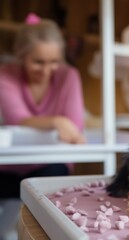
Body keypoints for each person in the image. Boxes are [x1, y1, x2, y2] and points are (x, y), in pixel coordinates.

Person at [0, 13, 85, 199]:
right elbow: (17, 119)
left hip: (52, 163)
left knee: (53, 186)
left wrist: (63, 124)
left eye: (54, 62)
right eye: (38, 62)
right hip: (9, 166)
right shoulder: (5, 74)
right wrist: (58, 121)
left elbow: (75, 126)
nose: (46, 71)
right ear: (21, 56)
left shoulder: (69, 75)